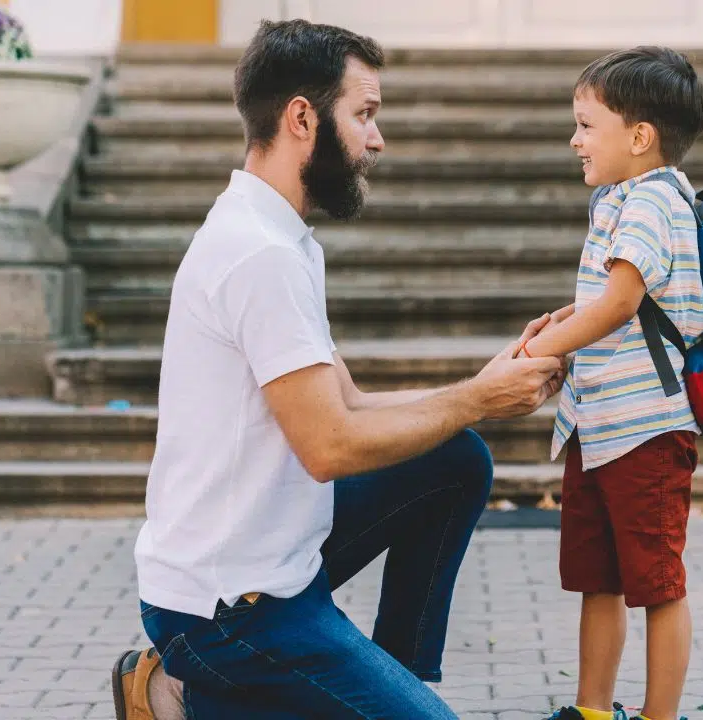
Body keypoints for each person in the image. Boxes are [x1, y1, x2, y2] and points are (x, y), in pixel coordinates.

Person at [108, 19, 566, 720]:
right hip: (228, 613)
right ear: (302, 117)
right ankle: (188, 689)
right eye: (364, 115)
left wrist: (487, 382)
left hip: (272, 566)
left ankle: (390, 682)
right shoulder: (259, 256)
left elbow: (349, 402)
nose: (375, 140)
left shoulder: (278, 236)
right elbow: (331, 447)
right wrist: (475, 399)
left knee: (455, 459)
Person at [516, 47, 703, 720]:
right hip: (598, 426)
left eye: (585, 124)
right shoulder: (623, 199)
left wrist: (540, 350)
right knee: (596, 581)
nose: (574, 139)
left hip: (646, 432)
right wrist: (565, 320)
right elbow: (613, 297)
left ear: (639, 137)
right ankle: (592, 712)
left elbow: (622, 303)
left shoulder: (653, 202)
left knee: (658, 586)